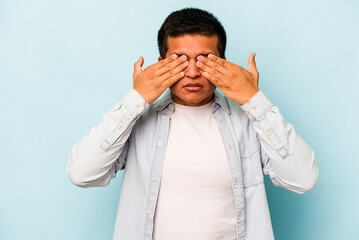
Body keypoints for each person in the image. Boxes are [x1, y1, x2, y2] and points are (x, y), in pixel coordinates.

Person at [67, 7, 318, 240]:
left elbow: (303, 180)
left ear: (224, 61)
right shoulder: (136, 121)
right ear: (161, 62)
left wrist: (254, 100)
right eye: (179, 60)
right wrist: (137, 98)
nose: (193, 72)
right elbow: (82, 174)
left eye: (205, 59)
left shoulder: (249, 121)